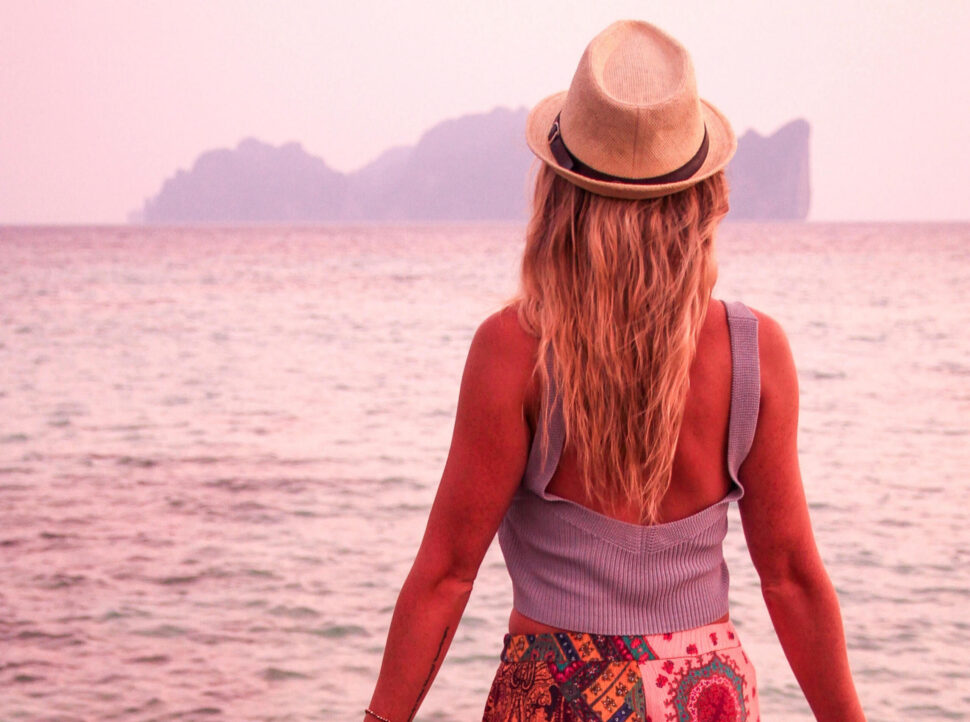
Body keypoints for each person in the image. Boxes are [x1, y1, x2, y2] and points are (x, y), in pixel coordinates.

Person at [364, 19, 866, 722]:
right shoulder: (755, 352)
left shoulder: (515, 350)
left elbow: (447, 576)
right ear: (701, 198)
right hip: (705, 695)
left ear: (559, 196)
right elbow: (790, 580)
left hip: (558, 698)